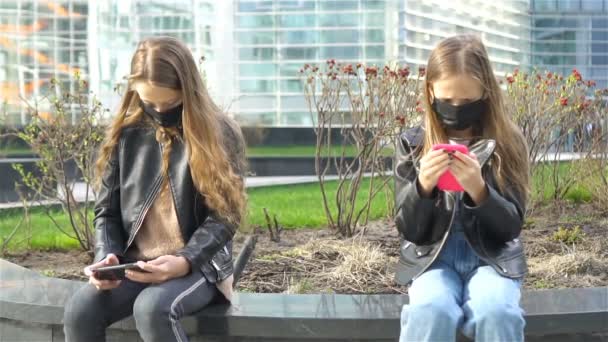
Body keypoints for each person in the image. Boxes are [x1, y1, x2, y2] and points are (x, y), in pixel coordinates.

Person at [63, 36, 247, 342]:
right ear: (136, 91)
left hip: (198, 266)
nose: (160, 112)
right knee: (80, 311)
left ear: (188, 91)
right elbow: (106, 211)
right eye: (150, 104)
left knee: (152, 309)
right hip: (137, 264)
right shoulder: (126, 134)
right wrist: (107, 256)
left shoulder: (219, 133)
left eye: (171, 104)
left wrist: (185, 260)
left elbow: (225, 217)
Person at [394, 34, 530, 342]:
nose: (456, 109)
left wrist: (480, 191)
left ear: (486, 91)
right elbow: (410, 229)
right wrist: (423, 186)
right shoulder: (413, 143)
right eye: (447, 100)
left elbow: (510, 227)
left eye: (467, 102)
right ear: (430, 92)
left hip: (491, 258)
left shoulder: (508, 142)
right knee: (430, 310)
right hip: (432, 258)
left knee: (497, 311)